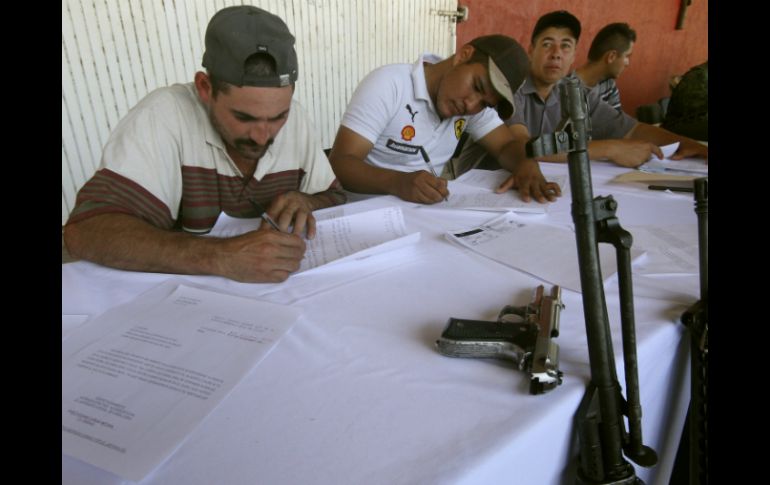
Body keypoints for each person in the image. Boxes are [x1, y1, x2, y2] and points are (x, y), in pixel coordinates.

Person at [63, 5, 346, 283]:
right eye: (243, 117)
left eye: (278, 116)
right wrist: (220, 257)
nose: (263, 135)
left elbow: (332, 196)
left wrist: (305, 200)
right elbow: (85, 231)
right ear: (205, 88)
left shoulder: (296, 118)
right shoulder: (162, 115)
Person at [328, 34, 561, 205]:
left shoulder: (472, 106)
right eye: (477, 86)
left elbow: (506, 145)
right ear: (463, 55)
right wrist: (397, 182)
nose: (471, 105)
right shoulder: (389, 84)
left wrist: (527, 164)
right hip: (362, 214)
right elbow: (341, 162)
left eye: (484, 104)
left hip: (423, 216)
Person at [487, 10, 707, 183]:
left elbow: (632, 129)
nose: (556, 53)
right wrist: (611, 148)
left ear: (574, 55)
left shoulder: (574, 92)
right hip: (498, 186)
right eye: (547, 44)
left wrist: (690, 145)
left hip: (551, 186)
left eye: (565, 46)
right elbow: (524, 145)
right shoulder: (511, 86)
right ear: (531, 49)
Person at [574, 22, 637, 111]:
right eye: (627, 56)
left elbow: (617, 123)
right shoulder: (567, 91)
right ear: (611, 57)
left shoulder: (609, 85)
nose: (627, 63)